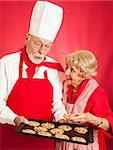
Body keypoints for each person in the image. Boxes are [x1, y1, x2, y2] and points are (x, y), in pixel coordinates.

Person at [0, 1, 67, 150]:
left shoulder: (52, 67)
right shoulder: (7, 63)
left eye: (47, 46)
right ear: (27, 38)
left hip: (44, 143)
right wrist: (14, 119)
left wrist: (61, 117)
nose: (42, 51)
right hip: (11, 139)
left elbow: (56, 102)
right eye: (37, 44)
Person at [56, 50, 113, 150]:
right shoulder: (64, 86)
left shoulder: (97, 93)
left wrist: (91, 119)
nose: (66, 72)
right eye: (66, 67)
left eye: (72, 70)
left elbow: (110, 124)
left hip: (87, 146)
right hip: (64, 143)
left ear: (84, 74)